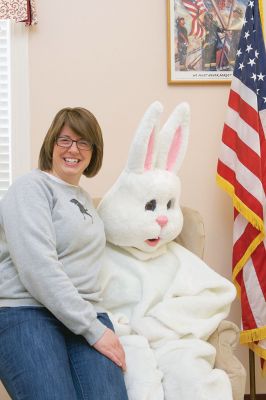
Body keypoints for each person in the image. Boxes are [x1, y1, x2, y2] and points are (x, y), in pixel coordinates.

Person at [0, 107, 128, 400]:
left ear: (94, 151)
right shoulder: (31, 187)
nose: (74, 149)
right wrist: (94, 330)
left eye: (84, 142)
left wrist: (93, 324)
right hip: (27, 311)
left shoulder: (83, 199)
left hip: (83, 314)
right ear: (51, 144)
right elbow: (37, 268)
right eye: (65, 140)